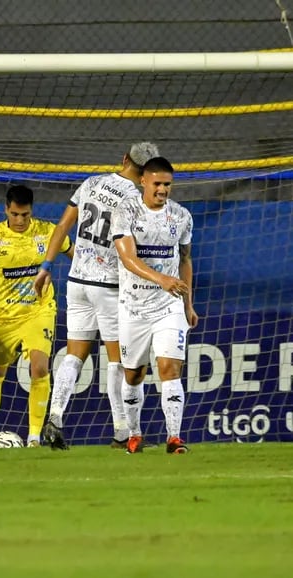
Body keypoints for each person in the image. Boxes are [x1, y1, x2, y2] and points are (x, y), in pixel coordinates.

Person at [34, 142, 160, 450]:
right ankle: (124, 431)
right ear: (145, 174)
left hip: (77, 281)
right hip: (109, 286)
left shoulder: (90, 182)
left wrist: (46, 265)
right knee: (120, 360)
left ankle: (55, 418)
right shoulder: (136, 199)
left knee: (74, 354)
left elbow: (63, 225)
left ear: (123, 159)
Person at [0, 184, 73, 448]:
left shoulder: (47, 232)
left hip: (38, 311)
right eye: (15, 214)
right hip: (2, 317)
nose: (20, 220)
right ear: (6, 210)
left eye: (25, 215)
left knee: (40, 366)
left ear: (32, 211)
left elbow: (75, 254)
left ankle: (34, 438)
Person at [110, 156, 199, 454]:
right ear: (143, 181)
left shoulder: (182, 216)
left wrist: (188, 305)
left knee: (170, 368)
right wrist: (162, 278)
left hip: (168, 305)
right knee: (133, 374)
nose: (163, 189)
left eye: (168, 184)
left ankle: (174, 438)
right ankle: (134, 434)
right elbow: (128, 258)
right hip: (133, 306)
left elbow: (185, 260)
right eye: (158, 183)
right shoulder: (125, 212)